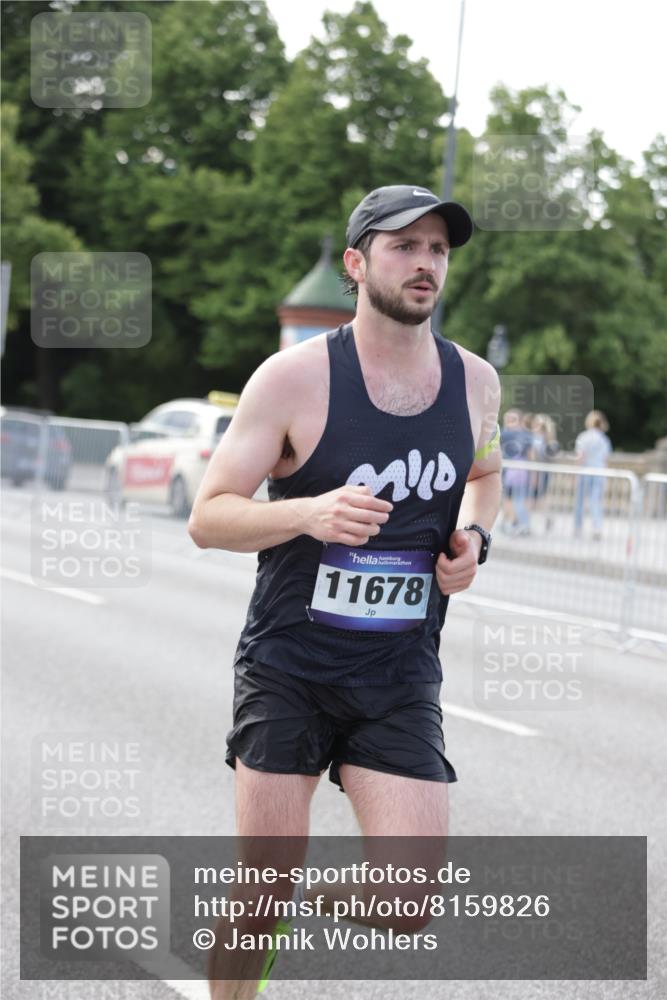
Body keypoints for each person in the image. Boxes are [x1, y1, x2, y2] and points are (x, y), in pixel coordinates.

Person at [188, 184, 502, 998]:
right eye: (404, 246)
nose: (425, 262)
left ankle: (282, 898)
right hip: (290, 663)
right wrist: (308, 512)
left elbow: (486, 474)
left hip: (398, 671)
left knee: (408, 901)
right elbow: (209, 518)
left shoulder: (476, 383)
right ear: (357, 265)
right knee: (259, 890)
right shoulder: (291, 380)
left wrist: (475, 537)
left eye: (437, 248)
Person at [574, 410, 611, 540]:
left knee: (579, 501)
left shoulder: (583, 437)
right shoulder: (604, 439)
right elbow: (606, 459)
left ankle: (578, 527)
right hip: (599, 472)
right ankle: (597, 527)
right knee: (596, 501)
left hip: (585, 471)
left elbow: (580, 457)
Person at [499, 409, 534, 535]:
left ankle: (512, 523)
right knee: (520, 499)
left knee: (508, 499)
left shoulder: (503, 434)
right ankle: (517, 523)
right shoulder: (527, 435)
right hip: (522, 472)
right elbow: (531, 456)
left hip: (508, 472)